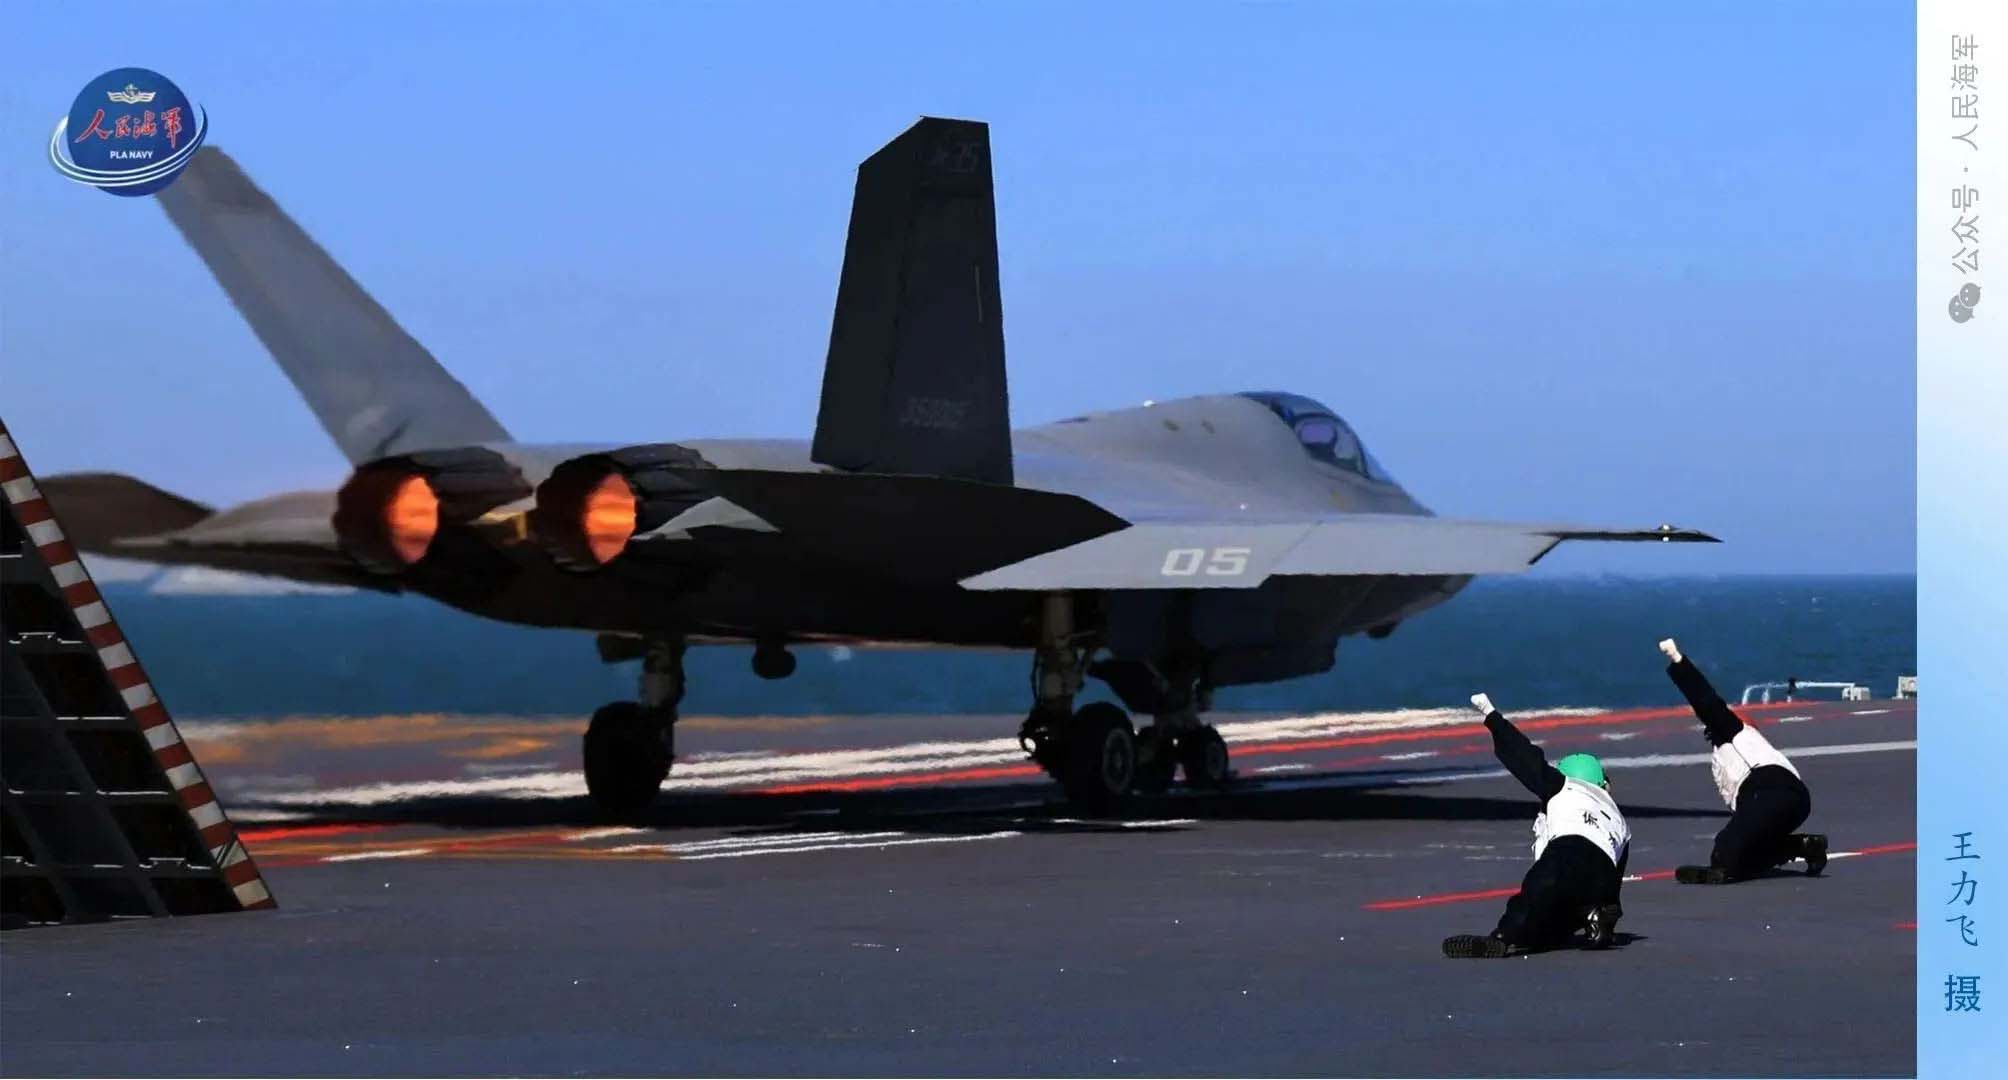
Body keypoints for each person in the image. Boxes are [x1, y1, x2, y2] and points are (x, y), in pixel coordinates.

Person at [1442, 693, 1630, 958]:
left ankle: (1502, 938)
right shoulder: (1619, 819)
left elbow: (1524, 758)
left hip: (1569, 851)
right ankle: (1595, 917)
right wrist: (1610, 908)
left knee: (1536, 895)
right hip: (1603, 876)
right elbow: (1616, 877)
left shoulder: (1563, 786)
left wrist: (1492, 718)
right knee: (1563, 915)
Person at [1659, 638, 1827, 883]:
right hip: (1796, 800)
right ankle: (1804, 846)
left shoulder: (1735, 732)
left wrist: (1678, 662)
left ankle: (1724, 866)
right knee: (1752, 850)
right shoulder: (1754, 747)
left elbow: (1705, 700)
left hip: (1768, 790)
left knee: (1725, 851)